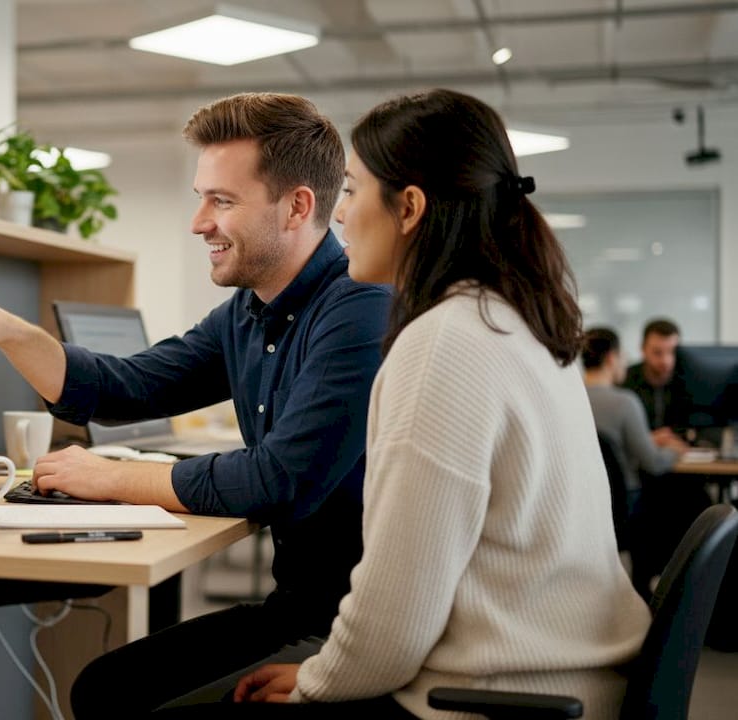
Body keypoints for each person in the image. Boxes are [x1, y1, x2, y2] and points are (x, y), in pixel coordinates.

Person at [161, 89, 650, 719]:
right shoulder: (514, 319)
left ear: (409, 208)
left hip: (488, 698)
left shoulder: (442, 342)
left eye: (354, 192)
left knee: (127, 694)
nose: (340, 217)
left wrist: (316, 681)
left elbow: (396, 613)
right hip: (566, 680)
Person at [0, 92, 391, 717]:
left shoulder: (359, 306)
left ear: (297, 206)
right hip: (302, 607)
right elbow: (130, 387)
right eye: (202, 197)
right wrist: (14, 334)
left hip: (357, 628)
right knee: (105, 688)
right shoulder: (248, 314)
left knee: (116, 696)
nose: (199, 222)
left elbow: (279, 480)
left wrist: (116, 478)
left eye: (221, 200)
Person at [583, 327, 688, 599]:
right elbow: (653, 463)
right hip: (626, 506)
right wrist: (677, 451)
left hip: (584, 505)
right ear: (611, 359)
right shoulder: (624, 402)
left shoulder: (570, 398)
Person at [622, 318, 693, 432]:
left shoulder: (689, 380)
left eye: (672, 352)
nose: (665, 360)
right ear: (643, 349)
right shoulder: (624, 380)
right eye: (657, 352)